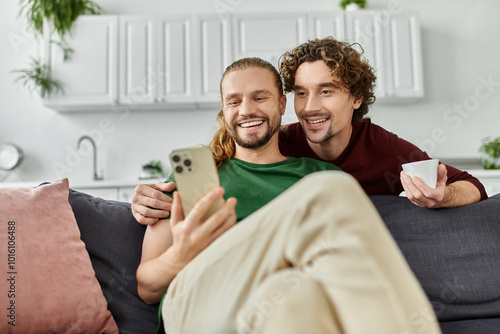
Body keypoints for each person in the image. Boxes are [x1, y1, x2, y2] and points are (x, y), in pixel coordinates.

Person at [135, 57, 442, 333]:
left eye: (259, 97)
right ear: (224, 110)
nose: (246, 110)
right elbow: (146, 287)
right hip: (199, 305)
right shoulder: (192, 176)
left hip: (269, 304)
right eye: (233, 101)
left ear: (282, 105)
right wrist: (182, 254)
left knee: (294, 297)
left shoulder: (320, 174)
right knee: (332, 191)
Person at [278, 36, 487, 208]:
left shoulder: (384, 148)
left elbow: (473, 185)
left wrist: (443, 196)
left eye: (326, 91)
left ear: (356, 98)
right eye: (302, 93)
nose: (309, 107)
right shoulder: (279, 145)